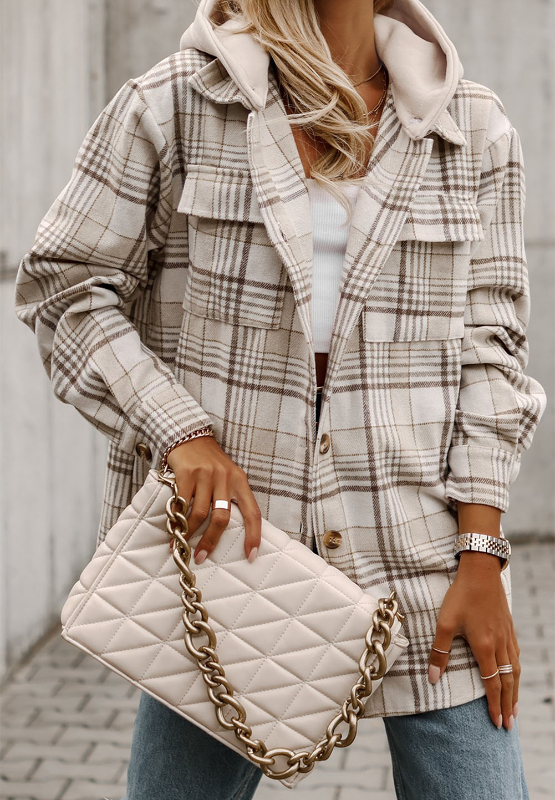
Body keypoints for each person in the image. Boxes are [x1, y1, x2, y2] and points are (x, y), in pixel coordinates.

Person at [14, 0, 547, 797]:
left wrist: (481, 549)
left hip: (427, 564)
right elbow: (64, 288)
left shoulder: (470, 127)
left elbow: (491, 349)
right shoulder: (177, 104)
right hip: (229, 558)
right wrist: (180, 432)